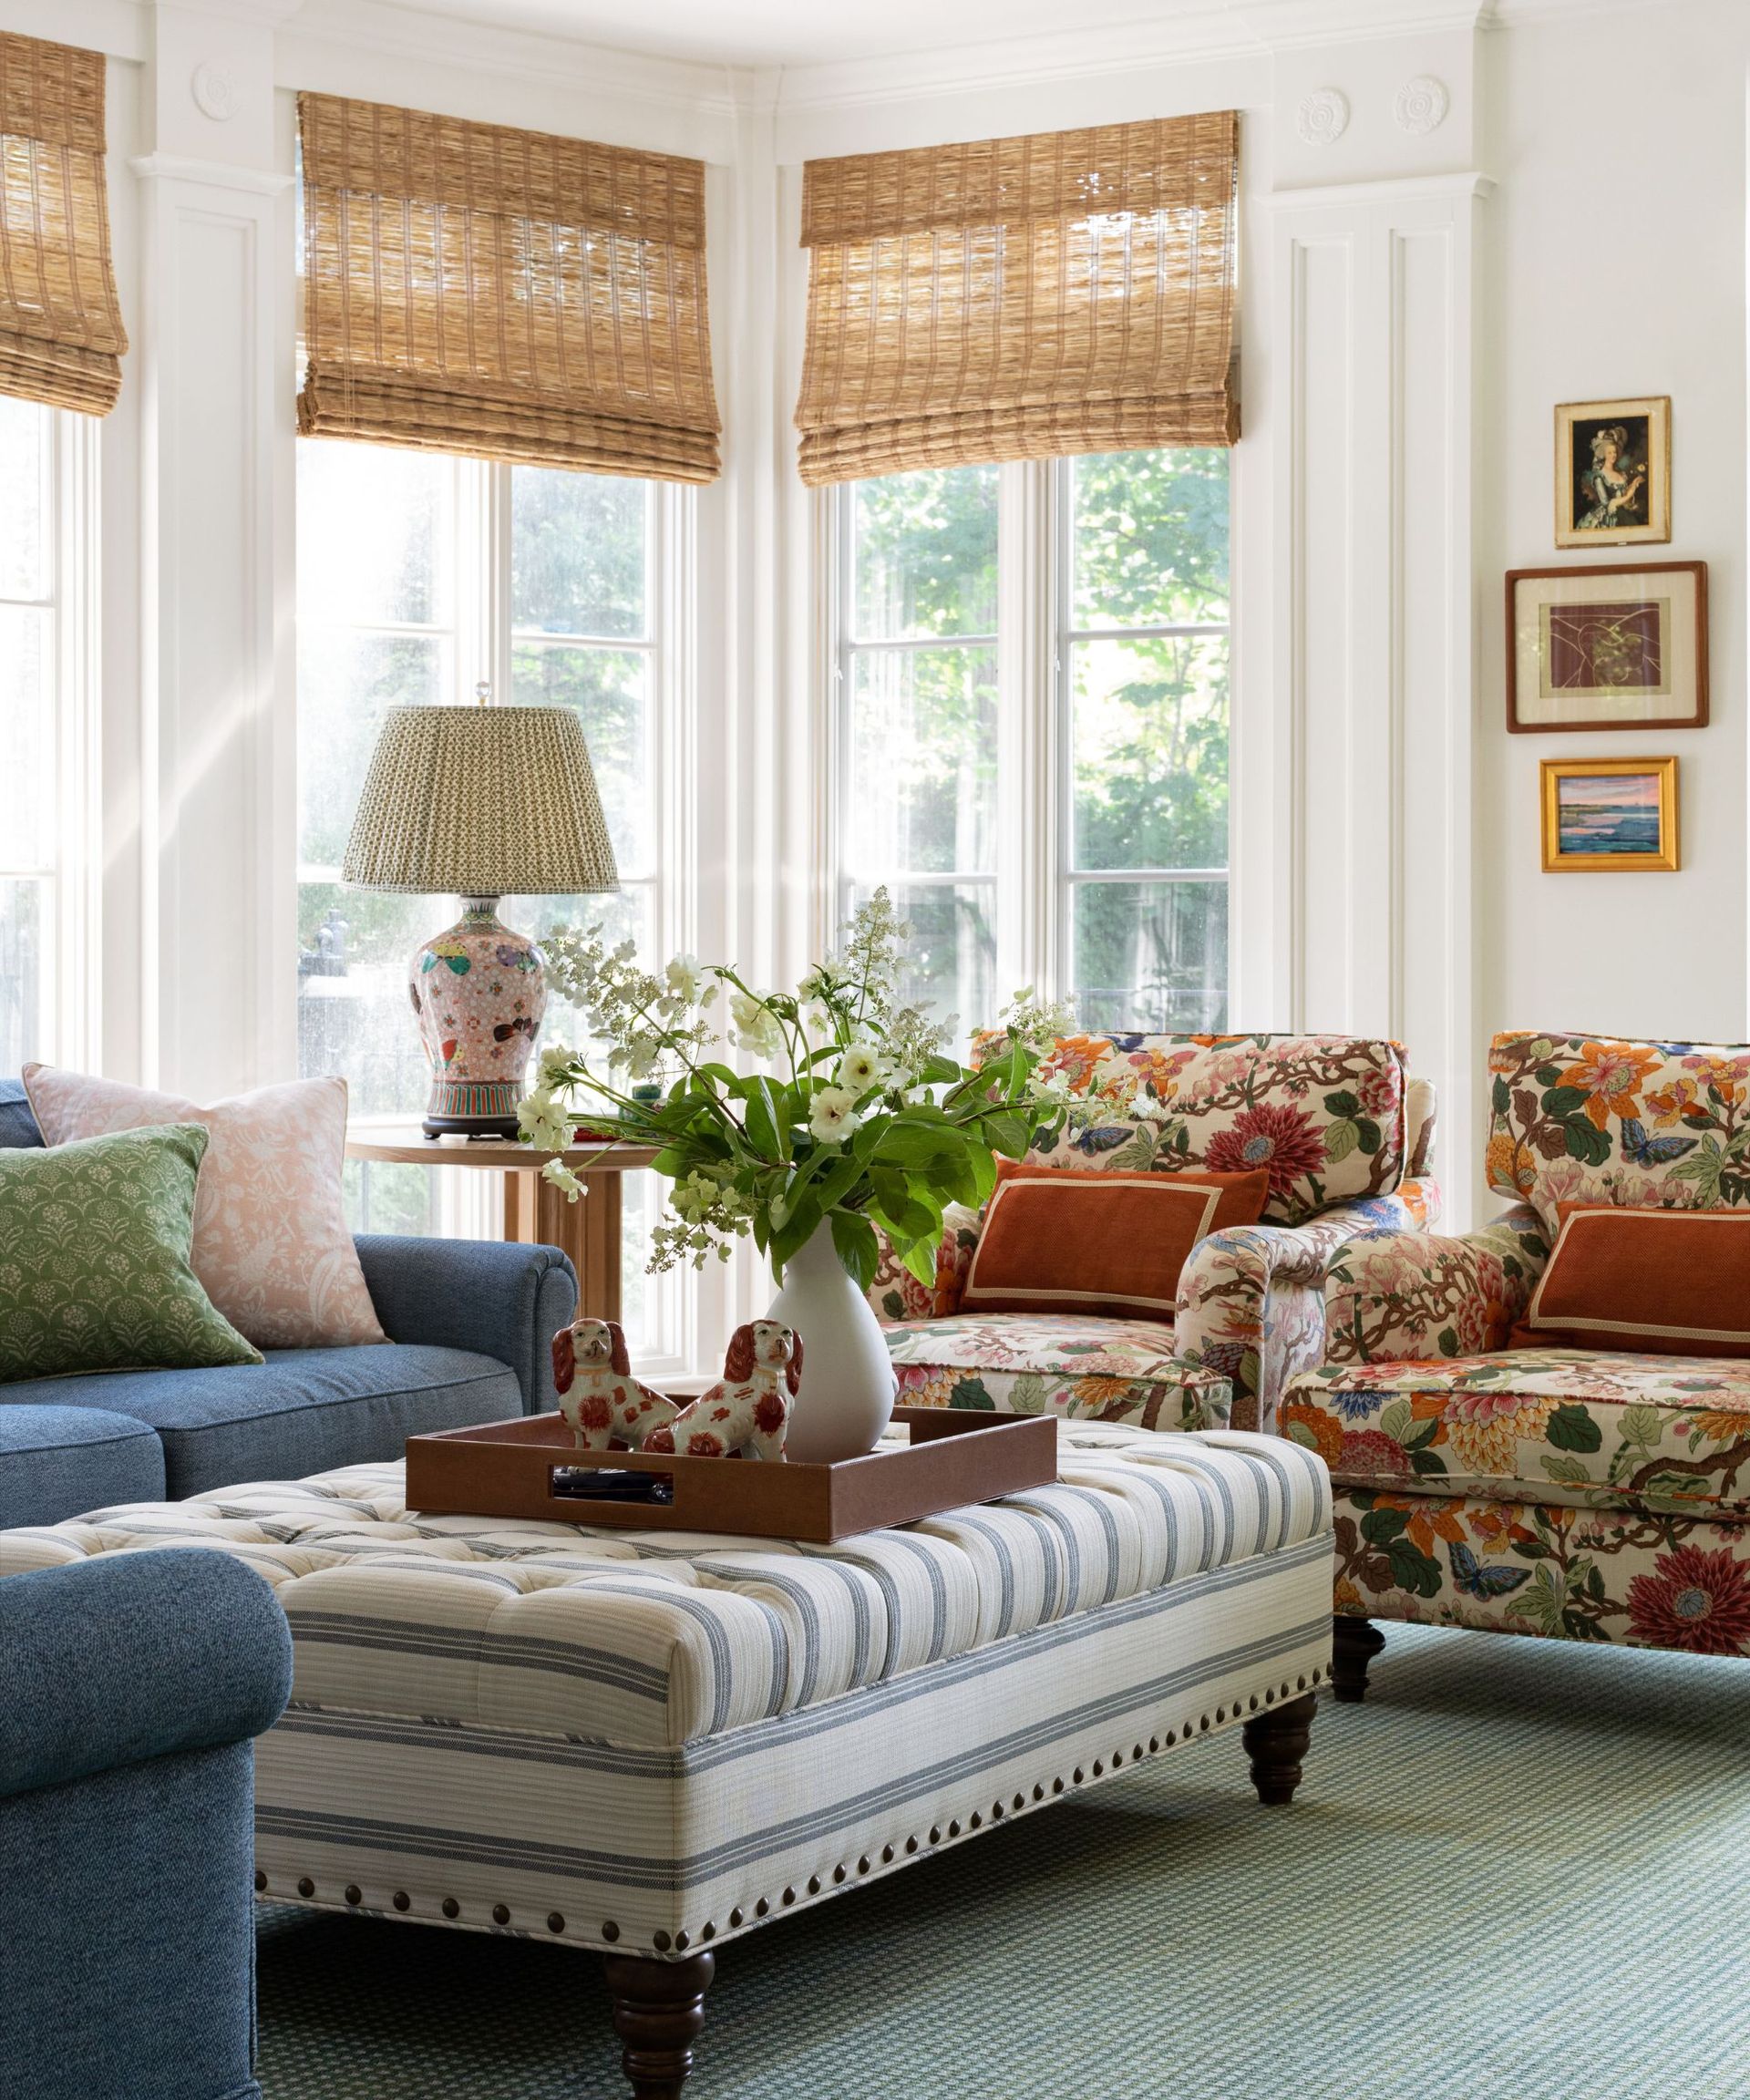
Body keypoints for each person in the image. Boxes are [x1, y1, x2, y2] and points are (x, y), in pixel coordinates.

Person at [1575, 423, 1646, 530]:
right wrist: (1628, 495)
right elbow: (1607, 504)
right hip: (1606, 518)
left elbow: (1622, 496)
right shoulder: (1599, 476)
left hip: (1623, 515)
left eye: (1615, 452)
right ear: (1604, 454)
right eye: (1610, 453)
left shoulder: (1621, 473)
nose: (1613, 455)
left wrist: (1633, 486)